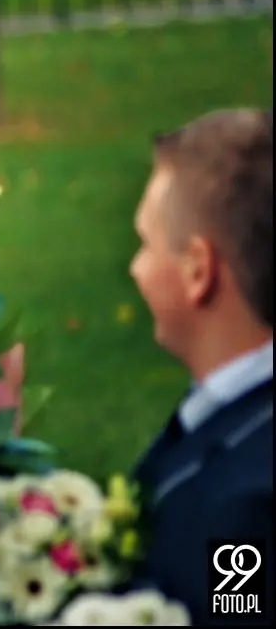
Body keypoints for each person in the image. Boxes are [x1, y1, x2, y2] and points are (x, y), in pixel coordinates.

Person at [128, 108, 272, 625]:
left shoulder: (243, 515)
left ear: (198, 271)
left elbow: (236, 616)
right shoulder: (238, 414)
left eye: (145, 244)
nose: (134, 268)